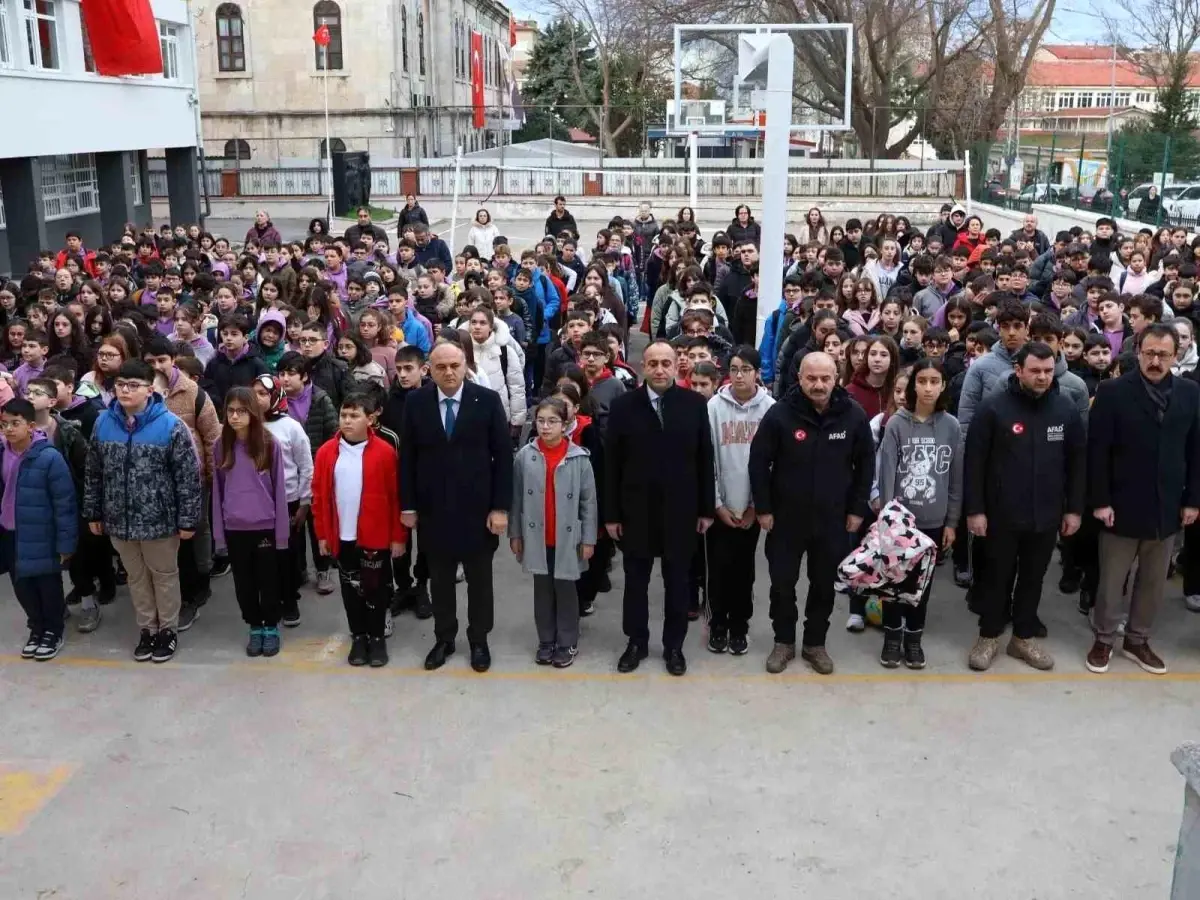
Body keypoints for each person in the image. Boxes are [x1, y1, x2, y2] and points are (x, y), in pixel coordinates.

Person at [1085, 323, 1200, 675]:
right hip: (1120, 504)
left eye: (1163, 355)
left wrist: (1192, 500)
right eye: (1149, 353)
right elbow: (1097, 452)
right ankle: (1104, 638)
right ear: (1137, 352)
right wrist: (1100, 501)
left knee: (1153, 581)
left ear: (1176, 355)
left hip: (1167, 505)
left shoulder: (1190, 393)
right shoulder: (1112, 392)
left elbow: (1196, 450)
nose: (1155, 361)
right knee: (1112, 579)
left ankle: (1137, 639)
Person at [749, 352, 874, 676]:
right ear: (800, 378)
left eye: (825, 378)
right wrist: (764, 508)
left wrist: (857, 509)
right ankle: (783, 641)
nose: (818, 385)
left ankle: (815, 643)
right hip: (785, 520)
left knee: (823, 585)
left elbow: (865, 465)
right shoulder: (780, 414)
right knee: (782, 584)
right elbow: (758, 462)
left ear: (836, 379)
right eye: (812, 378)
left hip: (832, 519)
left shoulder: (853, 415)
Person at [964, 342, 1086, 672]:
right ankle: (989, 636)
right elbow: (974, 463)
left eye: (1048, 371)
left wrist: (1074, 509)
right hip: (1000, 515)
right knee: (997, 577)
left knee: (1034, 578)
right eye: (1035, 371)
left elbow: (1077, 463)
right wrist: (975, 510)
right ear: (1018, 370)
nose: (1042, 377)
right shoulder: (993, 408)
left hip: (1046, 515)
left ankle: (1022, 638)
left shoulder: (1065, 409)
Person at [399, 342, 513, 673]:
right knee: (440, 581)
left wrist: (500, 508)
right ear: (429, 370)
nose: (448, 372)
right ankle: (444, 638)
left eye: (454, 365)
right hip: (434, 511)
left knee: (480, 582)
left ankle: (479, 640)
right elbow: (407, 458)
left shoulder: (487, 401)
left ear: (465, 366)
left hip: (478, 511)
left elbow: (503, 456)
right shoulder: (416, 402)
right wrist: (408, 505)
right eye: (441, 367)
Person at [604, 340, 715, 677]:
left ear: (676, 365)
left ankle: (673, 646)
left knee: (678, 582)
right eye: (653, 363)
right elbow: (612, 464)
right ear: (643, 367)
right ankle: (636, 642)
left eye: (666, 363)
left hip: (681, 511)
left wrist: (706, 509)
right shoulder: (624, 407)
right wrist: (612, 514)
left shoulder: (694, 404)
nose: (660, 369)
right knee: (635, 582)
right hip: (636, 510)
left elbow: (704, 458)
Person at [83, 360, 202, 663]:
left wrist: (188, 519)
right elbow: (94, 471)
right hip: (118, 520)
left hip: (159, 521)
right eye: (120, 384)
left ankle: (168, 630)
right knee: (136, 578)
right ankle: (147, 629)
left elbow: (188, 476)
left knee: (164, 576)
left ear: (150, 390)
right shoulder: (103, 423)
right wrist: (93, 512)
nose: (125, 390)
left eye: (133, 385)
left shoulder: (171, 426)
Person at [875, 359, 963, 669]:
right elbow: (886, 475)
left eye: (934, 381)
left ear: (943, 385)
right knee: (893, 582)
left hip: (934, 522)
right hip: (900, 523)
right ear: (913, 386)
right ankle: (892, 637)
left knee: (921, 586)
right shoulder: (897, 424)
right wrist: (887, 521)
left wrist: (952, 522)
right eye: (922, 381)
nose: (928, 388)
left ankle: (914, 639)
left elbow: (955, 479)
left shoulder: (951, 426)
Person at [313, 390, 408, 667]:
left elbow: (396, 499)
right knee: (351, 589)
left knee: (376, 589)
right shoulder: (326, 453)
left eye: (354, 415)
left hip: (375, 537)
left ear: (370, 419)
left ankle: (377, 638)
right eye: (343, 415)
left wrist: (398, 537)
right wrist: (322, 534)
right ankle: (358, 636)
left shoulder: (385, 453)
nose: (346, 420)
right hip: (343, 536)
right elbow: (319, 497)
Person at [509, 396, 598, 668]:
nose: (546, 427)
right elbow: (516, 500)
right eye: (541, 421)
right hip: (538, 536)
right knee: (543, 590)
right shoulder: (525, 457)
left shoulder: (579, 458)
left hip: (568, 538)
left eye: (552, 421)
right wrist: (515, 534)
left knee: (566, 590)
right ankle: (546, 639)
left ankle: (567, 641)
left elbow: (588, 502)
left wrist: (588, 539)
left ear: (565, 424)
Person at [212, 387, 291, 658]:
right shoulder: (221, 446)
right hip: (235, 528)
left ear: (253, 413)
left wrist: (281, 534)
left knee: (268, 582)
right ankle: (255, 625)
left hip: (264, 527)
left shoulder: (269, 445)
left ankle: (271, 626)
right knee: (244, 584)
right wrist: (219, 535)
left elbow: (279, 491)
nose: (234, 416)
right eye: (230, 411)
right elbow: (218, 492)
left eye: (241, 411)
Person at [706, 346, 774, 655]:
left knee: (744, 570)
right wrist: (717, 504)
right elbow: (708, 459)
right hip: (721, 505)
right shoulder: (714, 407)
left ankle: (739, 626)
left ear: (757, 373)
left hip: (751, 507)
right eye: (734, 369)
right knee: (718, 567)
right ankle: (717, 624)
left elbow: (773, 463)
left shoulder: (770, 409)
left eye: (746, 369)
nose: (739, 375)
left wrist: (756, 506)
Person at [0, 398, 78, 661]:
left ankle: (53, 631)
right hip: (11, 533)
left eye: (15, 423)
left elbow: (65, 503)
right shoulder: (2, 453)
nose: (9, 429)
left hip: (42, 533)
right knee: (22, 587)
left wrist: (66, 543)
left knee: (47, 586)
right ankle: (36, 628)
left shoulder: (49, 457)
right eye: (4, 424)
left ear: (31, 426)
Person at [252, 374, 313, 628]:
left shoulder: (291, 427)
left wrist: (304, 503)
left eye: (263, 393)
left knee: (286, 554)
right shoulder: (247, 426)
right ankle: (270, 601)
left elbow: (305, 467)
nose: (257, 398)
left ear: (276, 396)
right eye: (253, 393)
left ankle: (290, 600)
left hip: (287, 500)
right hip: (257, 502)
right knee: (263, 556)